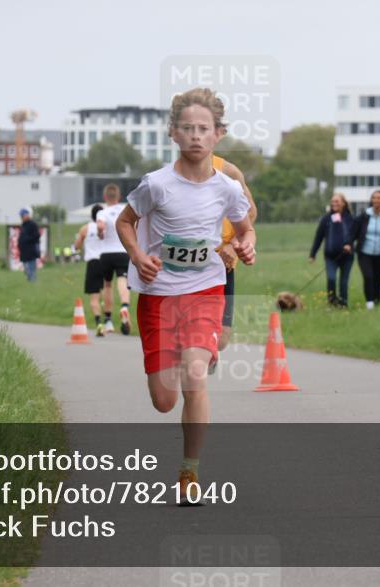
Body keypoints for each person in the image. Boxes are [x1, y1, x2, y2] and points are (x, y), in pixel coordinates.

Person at [115, 87, 255, 500]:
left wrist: (247, 244)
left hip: (205, 289)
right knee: (163, 399)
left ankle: (189, 473)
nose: (196, 136)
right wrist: (139, 255)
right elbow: (125, 222)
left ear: (218, 135)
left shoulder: (227, 188)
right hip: (158, 295)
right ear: (173, 133)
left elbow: (245, 226)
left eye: (204, 129)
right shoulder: (155, 185)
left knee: (196, 377)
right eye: (188, 128)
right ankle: (188, 354)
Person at [211, 131, 258, 368]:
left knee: (222, 339)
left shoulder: (227, 171)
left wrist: (232, 244)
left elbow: (251, 212)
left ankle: (207, 349)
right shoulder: (170, 176)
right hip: (187, 267)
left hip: (224, 262)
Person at [97, 184, 133, 335]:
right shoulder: (125, 209)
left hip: (106, 253)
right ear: (119, 197)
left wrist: (101, 234)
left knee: (107, 285)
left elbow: (100, 226)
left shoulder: (102, 212)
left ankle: (108, 320)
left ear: (105, 197)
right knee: (122, 280)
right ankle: (124, 306)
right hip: (122, 251)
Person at [309, 193, 355, 307]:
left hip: (347, 256)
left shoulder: (350, 219)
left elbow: (354, 234)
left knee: (343, 282)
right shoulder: (326, 219)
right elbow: (318, 237)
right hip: (330, 257)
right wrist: (312, 254)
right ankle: (332, 302)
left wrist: (349, 244)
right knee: (331, 278)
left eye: (337, 201)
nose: (334, 204)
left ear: (343, 203)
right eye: (333, 201)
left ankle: (343, 304)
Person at [74, 204, 113, 337]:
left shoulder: (85, 228)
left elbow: (77, 246)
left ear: (91, 216)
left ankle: (99, 324)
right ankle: (108, 320)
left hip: (92, 262)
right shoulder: (108, 227)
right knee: (107, 288)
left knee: (94, 296)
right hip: (106, 260)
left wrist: (81, 244)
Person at [18, 207, 40, 282]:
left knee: (31, 269)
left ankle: (33, 282)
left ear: (27, 215)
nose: (21, 217)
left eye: (22, 216)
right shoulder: (23, 225)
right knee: (26, 270)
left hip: (31, 251)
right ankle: (30, 281)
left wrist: (26, 240)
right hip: (24, 252)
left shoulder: (33, 225)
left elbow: (36, 236)